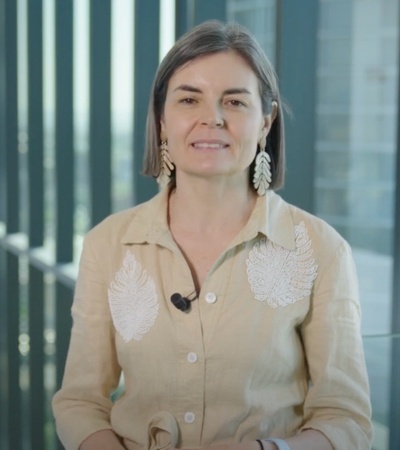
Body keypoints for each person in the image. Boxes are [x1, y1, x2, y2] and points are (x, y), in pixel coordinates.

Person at [52, 20, 373, 450]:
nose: (212, 118)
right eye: (189, 99)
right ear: (162, 118)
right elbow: (79, 402)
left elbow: (346, 420)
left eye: (235, 102)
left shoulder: (321, 249)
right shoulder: (107, 244)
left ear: (265, 121)